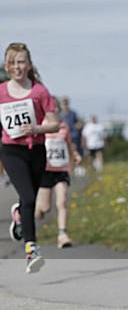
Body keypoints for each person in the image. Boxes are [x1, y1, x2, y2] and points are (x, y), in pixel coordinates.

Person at [0, 42, 59, 272]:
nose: (17, 67)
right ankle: (31, 249)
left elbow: (54, 124)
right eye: (12, 62)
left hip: (36, 150)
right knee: (28, 197)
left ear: (29, 65)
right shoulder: (1, 92)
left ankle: (18, 214)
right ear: (6, 66)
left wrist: (36, 129)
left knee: (29, 200)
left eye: (21, 62)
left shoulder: (39, 92)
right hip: (12, 150)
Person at [35, 96, 82, 248]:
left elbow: (68, 144)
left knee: (62, 202)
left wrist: (74, 155)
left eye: (56, 108)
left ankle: (62, 234)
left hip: (61, 169)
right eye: (51, 108)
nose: (54, 111)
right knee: (45, 208)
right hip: (46, 170)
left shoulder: (63, 126)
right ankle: (33, 209)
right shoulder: (41, 126)